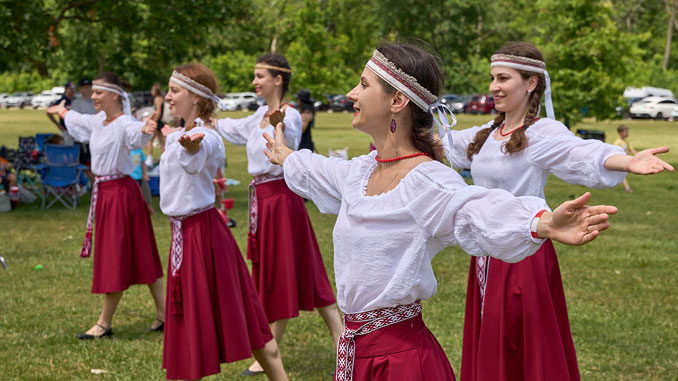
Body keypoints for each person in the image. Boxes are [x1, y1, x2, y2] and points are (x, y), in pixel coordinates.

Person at [263, 42, 619, 381]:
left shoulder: (426, 181)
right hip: (359, 355)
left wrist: (540, 222)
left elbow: (474, 210)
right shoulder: (359, 173)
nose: (351, 94)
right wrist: (286, 156)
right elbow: (317, 171)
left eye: (363, 84)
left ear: (398, 100)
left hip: (402, 363)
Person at [441, 42, 673, 381]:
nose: (493, 87)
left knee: (527, 349)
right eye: (492, 78)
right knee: (493, 346)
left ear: (531, 83)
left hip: (524, 257)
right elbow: (440, 144)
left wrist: (627, 159)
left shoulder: (541, 133)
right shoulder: (486, 135)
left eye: (503, 78)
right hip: (487, 253)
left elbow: (580, 152)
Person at [215, 53, 343, 376]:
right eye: (254, 76)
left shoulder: (290, 116)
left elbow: (288, 156)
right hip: (262, 201)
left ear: (278, 79)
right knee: (291, 271)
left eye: (259, 76)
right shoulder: (258, 114)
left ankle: (272, 347)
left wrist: (279, 128)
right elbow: (229, 127)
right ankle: (340, 339)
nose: (254, 82)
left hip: (281, 199)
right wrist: (205, 114)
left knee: (287, 271)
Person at [159, 63, 287, 380]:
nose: (168, 96)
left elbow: (199, 154)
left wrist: (191, 146)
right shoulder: (182, 134)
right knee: (191, 326)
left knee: (247, 322)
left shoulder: (207, 138)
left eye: (174, 91)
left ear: (197, 98)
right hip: (184, 236)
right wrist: (178, 140)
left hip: (204, 238)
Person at [46, 72, 166, 340]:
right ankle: (163, 314)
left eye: (99, 93)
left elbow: (136, 131)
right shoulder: (99, 120)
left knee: (119, 256)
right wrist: (63, 112)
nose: (94, 96)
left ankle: (104, 323)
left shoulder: (124, 123)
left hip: (122, 195)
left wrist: (147, 129)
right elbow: (79, 120)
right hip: (108, 194)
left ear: (114, 95)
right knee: (135, 253)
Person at [71, 78, 96, 184]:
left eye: (89, 86)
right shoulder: (76, 103)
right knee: (85, 164)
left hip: (96, 138)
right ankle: (92, 184)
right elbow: (77, 122)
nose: (88, 89)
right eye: (85, 87)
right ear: (80, 89)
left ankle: (95, 184)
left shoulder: (97, 102)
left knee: (96, 164)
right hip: (82, 140)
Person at [145, 83, 167, 167]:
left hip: (157, 122)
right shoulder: (161, 98)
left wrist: (154, 121)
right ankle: (163, 159)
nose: (151, 91)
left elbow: (158, 112)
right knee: (162, 143)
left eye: (152, 90)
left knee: (149, 140)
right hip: (160, 122)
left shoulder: (157, 99)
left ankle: (149, 159)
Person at [129, 147, 155, 214]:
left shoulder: (140, 151)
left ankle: (149, 207)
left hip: (140, 177)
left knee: (146, 191)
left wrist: (145, 174)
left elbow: (143, 164)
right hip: (131, 178)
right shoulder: (127, 151)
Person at [614, 124, 638, 192]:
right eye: (626, 132)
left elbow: (632, 149)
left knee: (617, 174)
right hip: (619, 161)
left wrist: (638, 156)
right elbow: (615, 152)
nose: (627, 133)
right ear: (620, 133)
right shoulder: (618, 142)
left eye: (627, 132)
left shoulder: (626, 141)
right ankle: (627, 188)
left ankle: (610, 185)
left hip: (625, 160)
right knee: (621, 174)